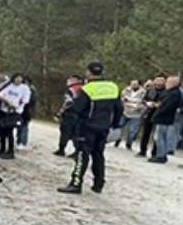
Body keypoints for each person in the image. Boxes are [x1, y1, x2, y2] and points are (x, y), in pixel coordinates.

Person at [58, 61, 123, 194]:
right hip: (104, 127)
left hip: (87, 127)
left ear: (88, 72)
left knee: (82, 155)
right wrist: (115, 125)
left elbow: (77, 109)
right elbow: (119, 108)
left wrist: (72, 127)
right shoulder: (112, 87)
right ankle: (99, 183)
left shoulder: (87, 89)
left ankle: (76, 183)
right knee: (98, 155)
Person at [147, 75, 183, 163]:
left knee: (160, 137)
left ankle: (161, 155)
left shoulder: (174, 93)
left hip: (165, 118)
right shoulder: (169, 92)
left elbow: (167, 106)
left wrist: (158, 112)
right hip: (163, 117)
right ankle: (159, 154)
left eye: (168, 82)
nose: (166, 83)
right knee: (159, 137)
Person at [0, 73, 29, 159]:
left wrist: (15, 104)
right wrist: (7, 101)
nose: (18, 80)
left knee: (9, 132)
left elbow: (25, 100)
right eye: (16, 78)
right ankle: (2, 149)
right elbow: (0, 95)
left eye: (20, 78)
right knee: (2, 131)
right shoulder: (9, 86)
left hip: (14, 111)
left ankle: (10, 151)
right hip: (4, 110)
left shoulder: (24, 88)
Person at [54, 75, 83, 157]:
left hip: (70, 114)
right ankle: (77, 151)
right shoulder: (84, 89)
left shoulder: (71, 90)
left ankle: (61, 149)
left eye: (71, 79)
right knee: (76, 133)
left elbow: (68, 103)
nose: (68, 81)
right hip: (80, 115)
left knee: (65, 132)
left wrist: (60, 113)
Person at [137, 76, 166, 158]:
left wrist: (159, 105)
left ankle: (155, 152)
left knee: (157, 135)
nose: (159, 83)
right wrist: (147, 103)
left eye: (161, 81)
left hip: (159, 114)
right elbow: (143, 100)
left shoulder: (166, 91)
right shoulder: (150, 90)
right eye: (157, 80)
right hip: (149, 112)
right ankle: (142, 150)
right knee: (146, 132)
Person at [118, 79, 146, 149]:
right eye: (132, 84)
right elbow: (122, 99)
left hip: (136, 114)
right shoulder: (126, 90)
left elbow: (143, 102)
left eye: (135, 84)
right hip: (125, 111)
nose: (133, 86)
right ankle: (117, 139)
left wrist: (131, 101)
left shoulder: (143, 92)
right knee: (119, 126)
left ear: (139, 85)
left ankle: (129, 143)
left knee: (132, 130)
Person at [17, 75, 35, 150]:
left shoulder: (31, 90)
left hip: (27, 111)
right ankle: (19, 141)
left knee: (24, 126)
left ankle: (23, 142)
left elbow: (30, 101)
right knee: (19, 126)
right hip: (21, 110)